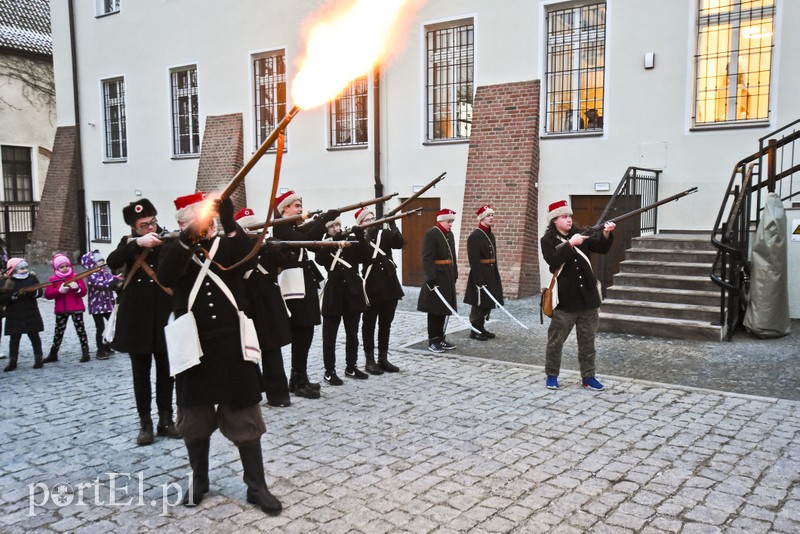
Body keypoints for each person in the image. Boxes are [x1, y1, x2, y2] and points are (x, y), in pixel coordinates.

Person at [158, 192, 281, 515]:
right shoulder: (175, 249)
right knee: (194, 418)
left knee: (245, 414)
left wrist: (229, 222)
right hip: (193, 347)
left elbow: (250, 259)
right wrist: (188, 238)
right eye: (194, 223)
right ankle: (199, 480)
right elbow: (167, 275)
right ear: (182, 226)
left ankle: (257, 486)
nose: (204, 227)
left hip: (231, 343)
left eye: (206, 221)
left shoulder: (227, 245)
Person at [107, 199, 179, 446]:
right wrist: (137, 243)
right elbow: (113, 261)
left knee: (166, 371)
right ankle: (145, 423)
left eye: (152, 222)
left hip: (162, 314)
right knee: (141, 373)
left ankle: (166, 420)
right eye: (144, 225)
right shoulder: (129, 243)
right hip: (136, 316)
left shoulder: (167, 239)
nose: (150, 228)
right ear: (134, 228)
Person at [540, 199, 615, 391]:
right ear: (554, 220)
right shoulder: (547, 241)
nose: (569, 220)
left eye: (570, 216)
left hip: (588, 299)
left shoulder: (580, 234)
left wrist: (606, 233)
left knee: (588, 343)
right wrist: (571, 244)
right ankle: (552, 375)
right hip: (565, 300)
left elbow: (601, 248)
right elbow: (552, 261)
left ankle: (588, 377)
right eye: (564, 217)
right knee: (556, 342)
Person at [271, 190, 339, 397]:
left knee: (306, 332)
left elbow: (311, 234)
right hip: (294, 288)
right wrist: (323, 220)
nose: (300, 210)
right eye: (296, 206)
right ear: (285, 209)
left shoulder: (290, 227)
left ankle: (298, 376)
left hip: (302, 285)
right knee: (302, 332)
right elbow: (307, 240)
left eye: (300, 206)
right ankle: (298, 380)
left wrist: (321, 221)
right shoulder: (281, 228)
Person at [237, 208, 292, 408]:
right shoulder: (235, 249)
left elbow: (285, 259)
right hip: (247, 302)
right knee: (248, 351)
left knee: (272, 350)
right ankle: (252, 391)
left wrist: (278, 248)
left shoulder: (267, 247)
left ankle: (278, 394)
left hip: (268, 303)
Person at [315, 215, 370, 384]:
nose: (336, 229)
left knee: (352, 333)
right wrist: (334, 240)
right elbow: (320, 259)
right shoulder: (325, 244)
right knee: (329, 335)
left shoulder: (350, 241)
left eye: (338, 225)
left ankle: (351, 366)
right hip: (334, 291)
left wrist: (360, 236)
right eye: (332, 226)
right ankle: (329, 371)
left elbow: (365, 255)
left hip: (352, 291)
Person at [358, 207, 404, 373]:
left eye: (372, 218)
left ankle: (383, 358)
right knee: (369, 324)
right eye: (367, 220)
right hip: (371, 284)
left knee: (386, 323)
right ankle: (369, 360)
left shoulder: (383, 234)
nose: (371, 222)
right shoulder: (359, 237)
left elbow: (399, 243)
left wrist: (391, 223)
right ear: (361, 223)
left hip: (389, 283)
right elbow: (360, 256)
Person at [416, 208, 459, 354]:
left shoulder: (450, 235)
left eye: (452, 221)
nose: (450, 224)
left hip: (447, 276)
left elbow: (453, 255)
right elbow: (427, 258)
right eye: (449, 221)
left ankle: (441, 337)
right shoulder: (432, 234)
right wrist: (431, 278)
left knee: (444, 309)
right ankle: (433, 340)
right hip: (437, 277)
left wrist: (455, 273)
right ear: (440, 220)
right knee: (435, 310)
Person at [463, 205, 504, 341]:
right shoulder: (475, 236)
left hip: (491, 272)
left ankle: (481, 327)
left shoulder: (490, 234)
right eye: (488, 215)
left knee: (488, 301)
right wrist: (479, 280)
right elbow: (474, 260)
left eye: (492, 215)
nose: (491, 217)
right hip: (480, 274)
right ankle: (475, 329)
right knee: (479, 303)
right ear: (481, 218)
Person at [43, 254, 90, 363]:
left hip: (76, 308)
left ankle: (85, 352)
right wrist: (58, 291)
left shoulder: (75, 277)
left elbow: (83, 292)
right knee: (58, 332)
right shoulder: (53, 279)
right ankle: (53, 353)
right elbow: (48, 295)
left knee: (81, 330)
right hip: (61, 309)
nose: (65, 268)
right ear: (56, 268)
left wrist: (77, 288)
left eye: (66, 266)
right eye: (61, 267)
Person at [0, 259, 44, 371]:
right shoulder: (8, 281)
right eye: (21, 268)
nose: (25, 270)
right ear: (14, 270)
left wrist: (32, 292)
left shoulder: (32, 279)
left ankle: (39, 358)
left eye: (26, 268)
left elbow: (39, 292)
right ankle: (13, 361)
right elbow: (2, 298)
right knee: (14, 338)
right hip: (14, 313)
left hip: (31, 311)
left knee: (34, 336)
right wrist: (11, 297)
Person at [80, 250, 122, 360]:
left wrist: (117, 282)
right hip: (97, 306)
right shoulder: (91, 275)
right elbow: (101, 285)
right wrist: (114, 279)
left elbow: (111, 285)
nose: (102, 262)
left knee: (111, 325)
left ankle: (108, 346)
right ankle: (100, 350)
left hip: (108, 304)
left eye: (102, 260)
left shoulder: (105, 272)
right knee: (100, 328)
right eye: (99, 261)